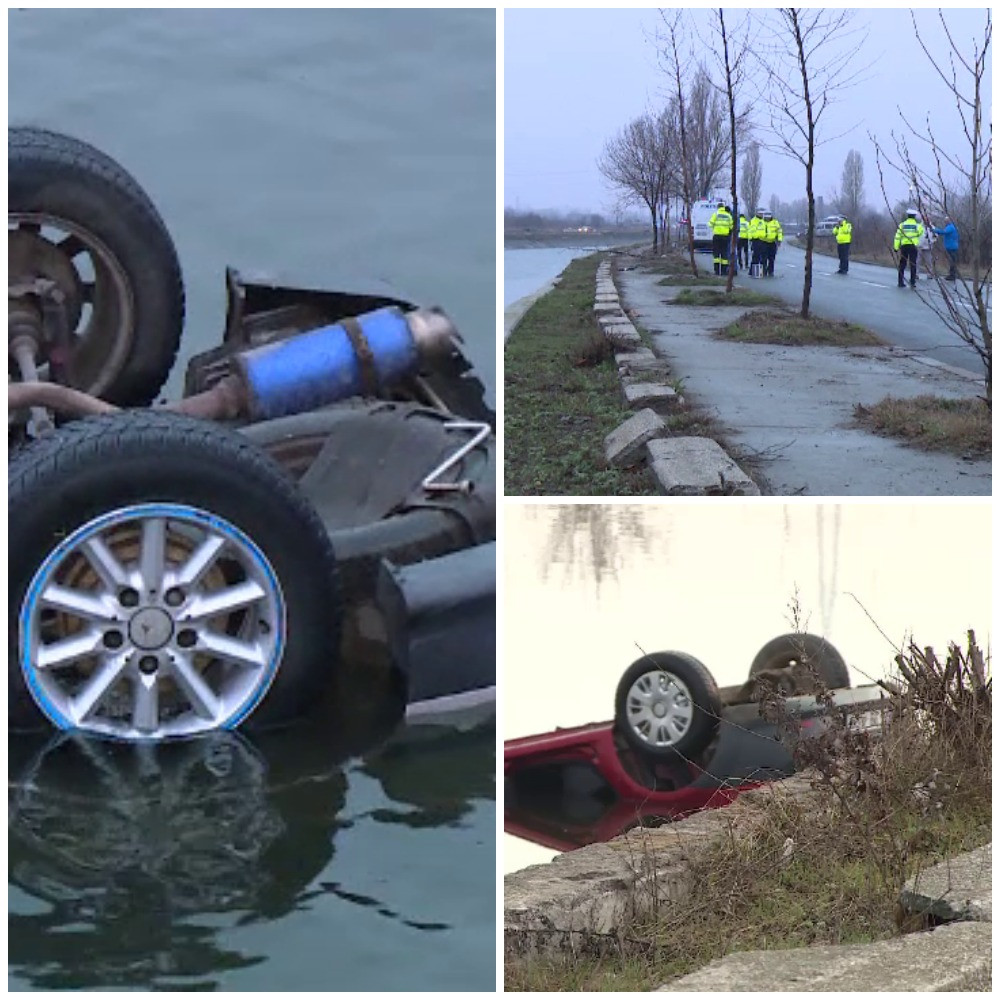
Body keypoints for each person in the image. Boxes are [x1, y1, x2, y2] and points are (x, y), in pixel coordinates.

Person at [893, 208, 923, 288]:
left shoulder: (902, 225)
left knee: (902, 264)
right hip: (913, 246)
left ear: (908, 216)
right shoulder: (918, 226)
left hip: (904, 246)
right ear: (914, 216)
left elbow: (897, 237)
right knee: (913, 264)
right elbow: (921, 233)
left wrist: (896, 247)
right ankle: (912, 282)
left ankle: (900, 282)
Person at [709, 201, 733, 275]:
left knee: (716, 254)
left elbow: (710, 224)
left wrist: (715, 229)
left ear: (718, 207)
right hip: (725, 237)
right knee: (724, 254)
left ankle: (716, 271)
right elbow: (731, 226)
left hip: (717, 236)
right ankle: (723, 271)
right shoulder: (728, 215)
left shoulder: (715, 214)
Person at [932, 216, 960, 281]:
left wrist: (935, 230)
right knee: (952, 260)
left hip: (951, 246)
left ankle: (952, 275)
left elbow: (944, 232)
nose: (945, 222)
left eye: (945, 221)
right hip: (953, 246)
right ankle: (952, 274)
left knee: (952, 261)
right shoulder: (953, 227)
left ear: (948, 221)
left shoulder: (950, 227)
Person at [761, 211, 783, 277]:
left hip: (772, 242)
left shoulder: (775, 222)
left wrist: (779, 240)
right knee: (763, 257)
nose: (767, 218)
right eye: (766, 217)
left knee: (771, 258)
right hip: (763, 242)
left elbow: (779, 231)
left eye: (768, 217)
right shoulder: (762, 222)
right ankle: (764, 271)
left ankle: (770, 271)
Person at [748, 207, 767, 276]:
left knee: (763, 257)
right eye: (760, 213)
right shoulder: (753, 221)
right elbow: (750, 230)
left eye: (762, 214)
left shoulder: (763, 221)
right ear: (757, 213)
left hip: (763, 240)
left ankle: (761, 272)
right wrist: (751, 239)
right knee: (756, 257)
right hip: (756, 240)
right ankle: (753, 272)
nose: (762, 215)